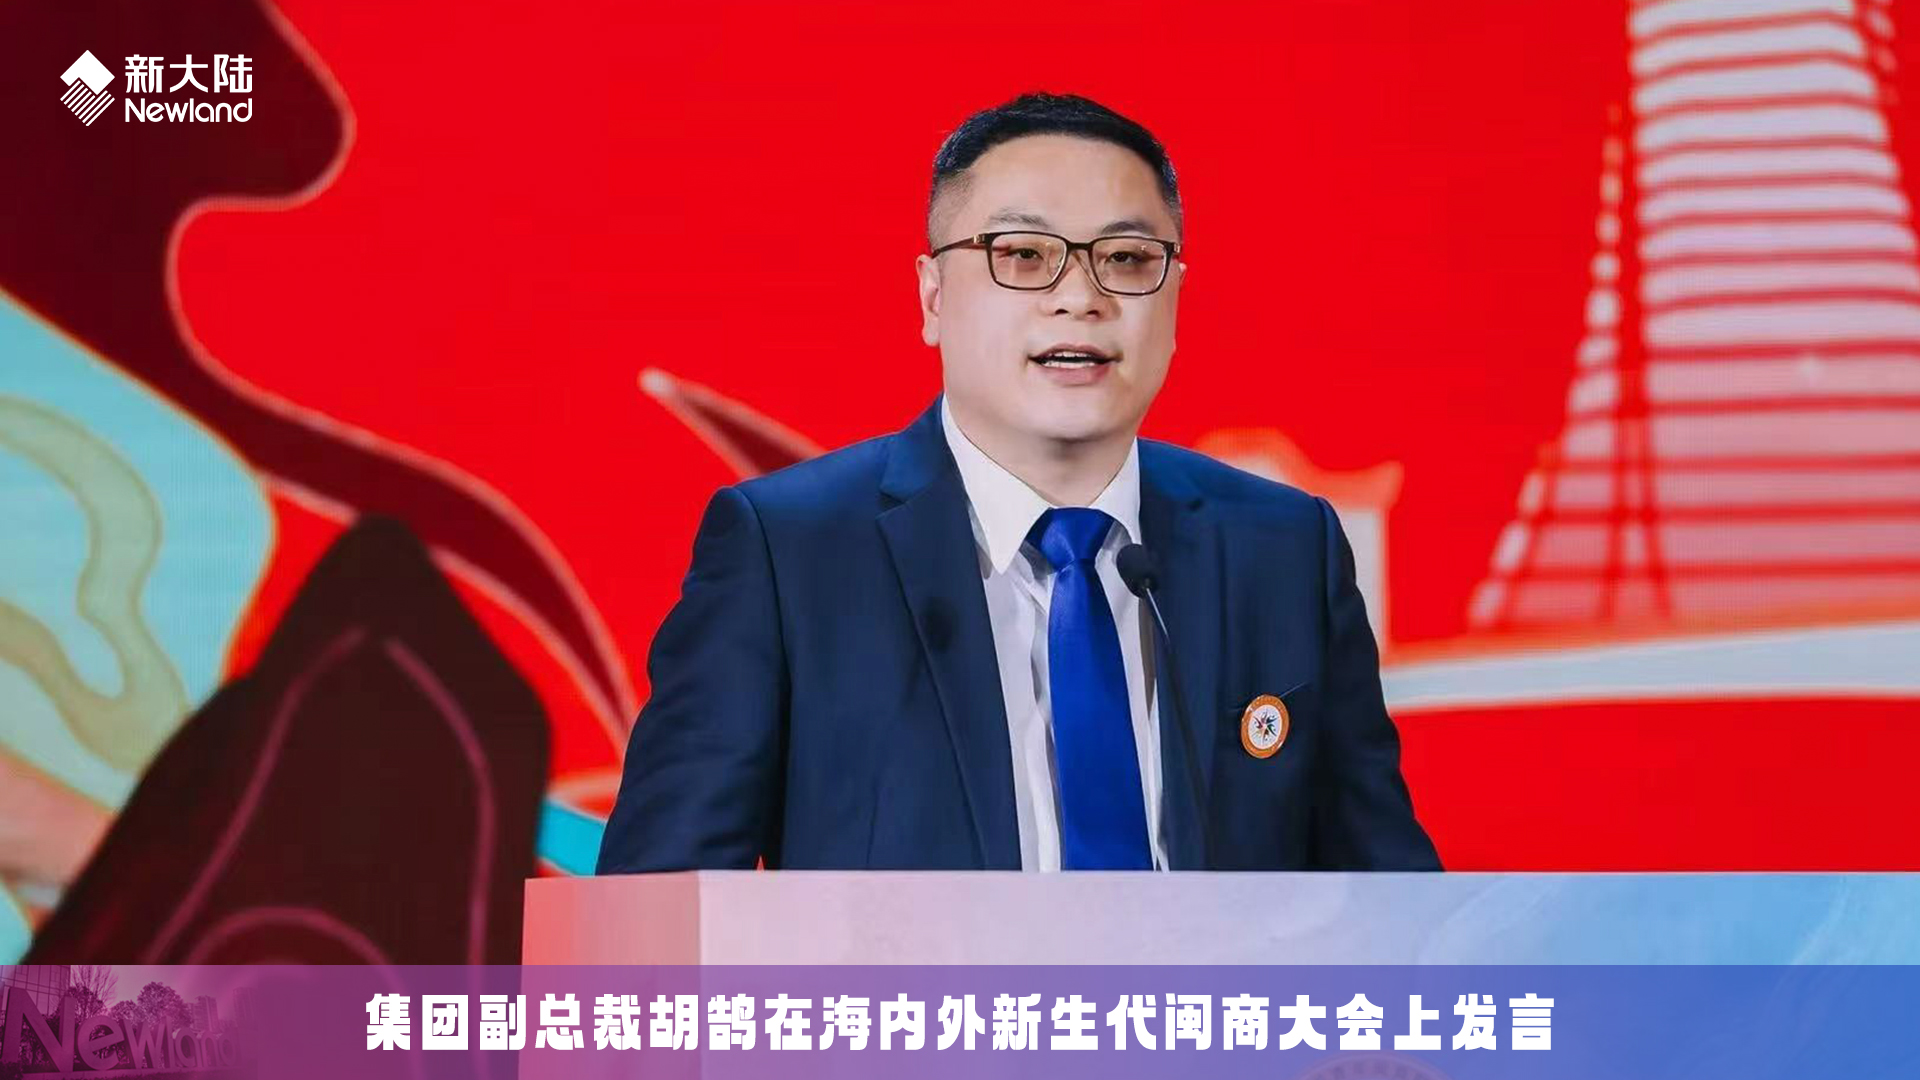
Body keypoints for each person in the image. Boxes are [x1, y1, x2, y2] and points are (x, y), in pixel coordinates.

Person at [597, 92, 1440, 872]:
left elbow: (1393, 907)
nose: (1080, 298)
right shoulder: (789, 555)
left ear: (1175, 299)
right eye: (1025, 255)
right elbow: (649, 923)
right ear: (932, 297)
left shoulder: (1282, 552)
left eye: (1126, 258)